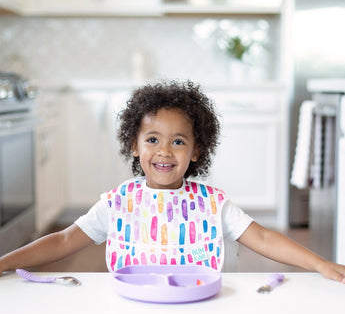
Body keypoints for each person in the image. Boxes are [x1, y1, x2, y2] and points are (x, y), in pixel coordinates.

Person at [0, 80, 344, 282]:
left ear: (196, 151)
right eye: (152, 139)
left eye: (178, 141)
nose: (164, 151)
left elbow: (264, 238)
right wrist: (5, 262)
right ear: (134, 145)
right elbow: (62, 242)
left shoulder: (213, 204)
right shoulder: (118, 204)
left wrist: (319, 264)